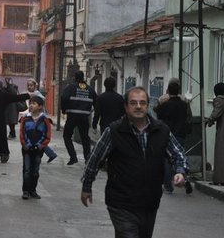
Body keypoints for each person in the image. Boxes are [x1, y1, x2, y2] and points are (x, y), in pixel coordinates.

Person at [81, 87, 189, 238]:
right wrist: (87, 186)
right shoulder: (114, 131)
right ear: (126, 107)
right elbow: (95, 159)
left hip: (149, 202)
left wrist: (180, 172)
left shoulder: (161, 130)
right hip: (121, 202)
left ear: (147, 106)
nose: (138, 106)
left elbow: (178, 154)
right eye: (133, 103)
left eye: (142, 103)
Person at [154, 80, 193, 194]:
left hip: (167, 134)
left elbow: (158, 116)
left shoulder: (164, 104)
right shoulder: (184, 104)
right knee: (180, 157)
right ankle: (185, 180)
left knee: (166, 159)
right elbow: (188, 117)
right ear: (179, 91)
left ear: (168, 91)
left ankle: (168, 185)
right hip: (180, 134)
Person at [0, 79, 29, 163]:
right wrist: (28, 95)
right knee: (2, 138)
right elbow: (16, 98)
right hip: (1, 120)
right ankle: (4, 154)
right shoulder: (4, 95)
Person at [19, 95, 52, 200]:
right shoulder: (25, 119)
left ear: (40, 107)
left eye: (34, 104)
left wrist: (40, 145)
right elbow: (22, 134)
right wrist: (26, 145)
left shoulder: (45, 120)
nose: (31, 105)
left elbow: (47, 135)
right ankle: (25, 191)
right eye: (30, 103)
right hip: (27, 150)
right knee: (27, 170)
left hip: (38, 150)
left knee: (35, 171)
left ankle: (33, 190)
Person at [61, 70, 97, 165]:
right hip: (84, 117)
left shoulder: (70, 87)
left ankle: (73, 157)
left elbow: (64, 98)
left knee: (67, 136)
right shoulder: (90, 89)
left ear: (75, 78)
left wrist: (64, 110)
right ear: (83, 77)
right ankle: (87, 158)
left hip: (72, 116)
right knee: (85, 138)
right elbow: (96, 102)